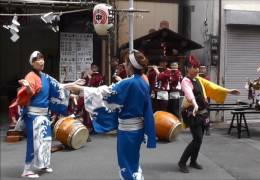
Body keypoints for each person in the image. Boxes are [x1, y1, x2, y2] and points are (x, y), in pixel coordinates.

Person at [64, 50, 156, 180]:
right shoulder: (143, 82)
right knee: (133, 161)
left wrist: (78, 89)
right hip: (138, 129)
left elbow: (103, 93)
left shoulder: (128, 82)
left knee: (126, 164)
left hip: (127, 131)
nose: (124, 66)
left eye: (125, 63)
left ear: (130, 66)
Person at [10, 50, 83, 178]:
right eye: (38, 59)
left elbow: (58, 87)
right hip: (33, 116)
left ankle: (43, 164)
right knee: (34, 142)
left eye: (42, 58)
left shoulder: (46, 77)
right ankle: (27, 169)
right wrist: (27, 86)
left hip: (44, 115)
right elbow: (30, 93)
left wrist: (72, 85)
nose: (42, 61)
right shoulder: (30, 76)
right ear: (33, 63)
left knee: (46, 141)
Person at [178, 55, 240, 173]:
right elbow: (189, 94)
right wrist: (195, 104)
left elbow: (213, 87)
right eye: (194, 67)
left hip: (202, 113)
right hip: (193, 113)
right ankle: (182, 162)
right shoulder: (185, 81)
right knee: (197, 139)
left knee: (199, 140)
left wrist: (228, 91)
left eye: (197, 67)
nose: (197, 70)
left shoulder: (199, 79)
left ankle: (193, 161)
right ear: (187, 68)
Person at [199, 65, 211, 136]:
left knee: (206, 113)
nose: (202, 70)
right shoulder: (196, 77)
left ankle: (207, 128)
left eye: (204, 69)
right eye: (201, 69)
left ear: (206, 70)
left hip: (206, 97)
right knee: (199, 113)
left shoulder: (207, 78)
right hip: (198, 98)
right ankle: (200, 128)